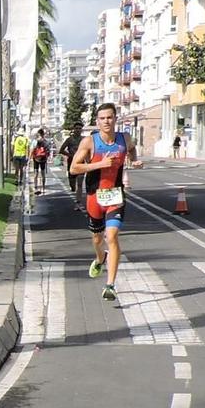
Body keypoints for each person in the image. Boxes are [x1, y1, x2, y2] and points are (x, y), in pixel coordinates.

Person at [71, 102, 139, 303]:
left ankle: (110, 285)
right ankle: (100, 259)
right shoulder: (89, 142)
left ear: (115, 119)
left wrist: (134, 160)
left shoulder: (124, 139)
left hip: (115, 196)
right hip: (94, 198)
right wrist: (100, 164)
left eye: (109, 117)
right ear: (97, 122)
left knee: (112, 236)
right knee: (97, 240)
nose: (106, 121)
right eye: (102, 118)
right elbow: (74, 168)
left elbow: (132, 150)